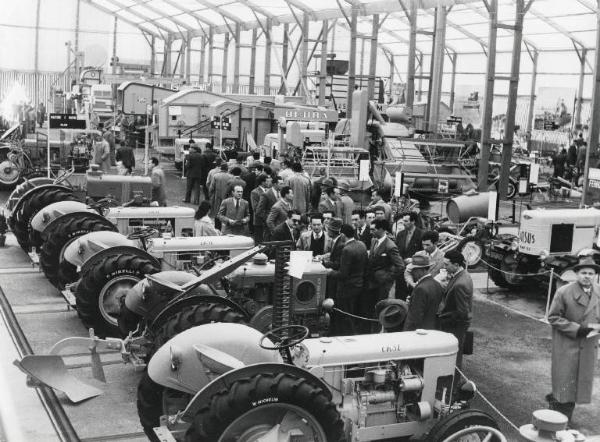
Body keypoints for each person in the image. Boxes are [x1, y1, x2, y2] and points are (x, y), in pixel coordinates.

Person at [546, 256, 600, 421]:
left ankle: (560, 415)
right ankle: (559, 421)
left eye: (591, 273)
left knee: (576, 387)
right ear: (576, 274)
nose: (587, 276)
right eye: (583, 272)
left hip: (588, 346)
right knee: (564, 386)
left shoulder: (598, 291)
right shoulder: (564, 292)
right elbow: (553, 317)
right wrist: (578, 330)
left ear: (595, 275)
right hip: (567, 347)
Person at [328, 223, 368, 335]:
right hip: (358, 285)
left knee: (345, 315)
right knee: (352, 314)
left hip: (346, 288)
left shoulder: (347, 249)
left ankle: (346, 335)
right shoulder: (361, 244)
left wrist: (330, 272)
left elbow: (343, 274)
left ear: (343, 235)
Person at [438, 250, 473, 369]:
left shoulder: (460, 284)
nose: (444, 267)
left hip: (455, 325)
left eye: (447, 265)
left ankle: (454, 382)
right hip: (455, 324)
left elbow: (462, 312)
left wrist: (445, 320)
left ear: (456, 265)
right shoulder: (462, 275)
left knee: (454, 356)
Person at [364, 219, 403, 316]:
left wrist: (387, 277)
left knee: (380, 309)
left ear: (381, 229)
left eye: (373, 229)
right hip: (372, 282)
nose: (370, 232)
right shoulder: (373, 241)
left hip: (382, 285)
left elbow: (400, 266)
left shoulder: (390, 246)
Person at [403, 252, 444, 331]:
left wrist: (406, 333)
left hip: (419, 332)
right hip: (432, 328)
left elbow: (415, 317)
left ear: (421, 270)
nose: (412, 272)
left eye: (414, 270)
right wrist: (412, 301)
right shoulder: (436, 284)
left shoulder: (420, 289)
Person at [395, 212, 424, 300]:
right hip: (401, 270)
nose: (403, 223)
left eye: (406, 221)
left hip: (414, 271)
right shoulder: (400, 234)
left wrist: (413, 260)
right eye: (403, 221)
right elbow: (397, 251)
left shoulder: (421, 235)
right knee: (399, 293)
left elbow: (425, 254)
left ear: (413, 222)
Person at [250, 174, 271, 243]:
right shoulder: (255, 192)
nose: (269, 183)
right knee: (259, 241)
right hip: (259, 221)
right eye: (268, 181)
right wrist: (266, 217)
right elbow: (255, 208)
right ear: (263, 182)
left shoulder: (269, 191)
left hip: (268, 221)